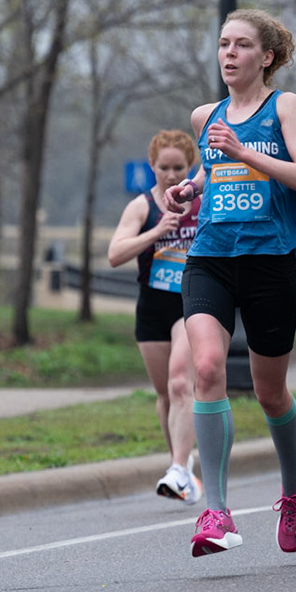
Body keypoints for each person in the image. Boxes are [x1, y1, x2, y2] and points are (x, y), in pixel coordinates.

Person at [160, 10, 296, 558]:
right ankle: (217, 511)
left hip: (270, 261)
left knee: (270, 392)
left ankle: (293, 488)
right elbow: (214, 168)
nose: (229, 53)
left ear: (266, 56)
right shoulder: (206, 116)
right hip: (211, 258)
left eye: (242, 45)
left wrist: (245, 152)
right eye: (224, 43)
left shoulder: (287, 108)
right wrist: (189, 188)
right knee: (206, 368)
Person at [107, 130, 201, 503]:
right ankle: (182, 468)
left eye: (179, 168)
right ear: (152, 166)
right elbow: (115, 254)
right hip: (152, 305)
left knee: (180, 384)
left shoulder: (203, 201)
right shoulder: (142, 206)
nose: (172, 175)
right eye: (164, 168)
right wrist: (158, 231)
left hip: (192, 302)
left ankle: (178, 468)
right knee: (164, 393)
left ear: (191, 166)